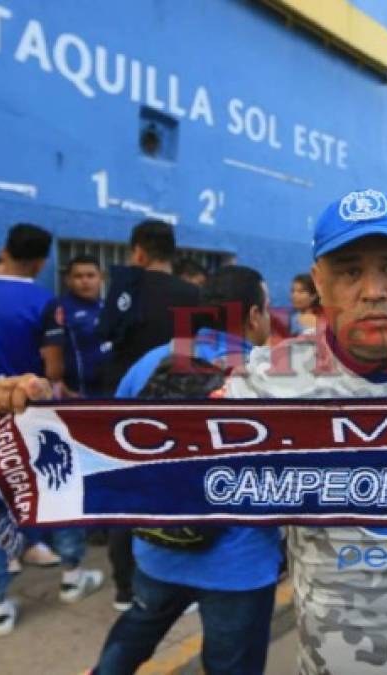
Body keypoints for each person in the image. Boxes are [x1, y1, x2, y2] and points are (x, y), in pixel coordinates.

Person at [0, 189, 387, 674]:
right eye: (348, 271)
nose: (374, 290)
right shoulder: (272, 378)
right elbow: (173, 453)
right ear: (319, 284)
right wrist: (46, 420)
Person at [92, 266, 281, 674]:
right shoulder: (270, 380)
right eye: (267, 308)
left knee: (137, 628)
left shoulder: (152, 361)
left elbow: (112, 442)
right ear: (253, 316)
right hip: (238, 566)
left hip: (157, 546)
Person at [0, 223, 102, 636]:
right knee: (59, 489)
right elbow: (53, 370)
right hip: (34, 415)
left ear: (3, 249)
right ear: (42, 261)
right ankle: (71, 575)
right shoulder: (42, 300)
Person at [98, 219, 201, 611]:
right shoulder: (194, 295)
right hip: (178, 412)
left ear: (138, 251)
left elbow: (104, 339)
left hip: (124, 412)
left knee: (125, 498)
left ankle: (126, 589)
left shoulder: (125, 290)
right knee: (177, 497)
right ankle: (181, 584)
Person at [48, 255, 108, 398]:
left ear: (101, 278)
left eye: (90, 275)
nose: (85, 281)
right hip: (76, 394)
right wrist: (59, 386)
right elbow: (52, 351)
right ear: (68, 280)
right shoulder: (59, 308)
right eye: (78, 276)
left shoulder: (108, 307)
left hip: (110, 392)